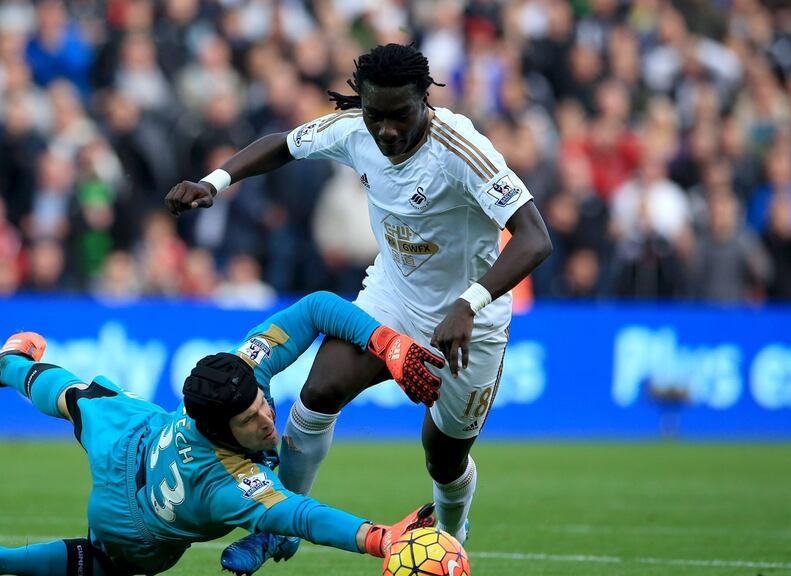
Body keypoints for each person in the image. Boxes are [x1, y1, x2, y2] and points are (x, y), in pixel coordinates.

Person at [165, 43, 552, 574]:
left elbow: (535, 238)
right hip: (390, 298)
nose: (387, 130)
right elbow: (282, 144)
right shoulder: (353, 130)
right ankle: (276, 529)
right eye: (376, 116)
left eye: (401, 116)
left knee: (443, 454)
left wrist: (469, 302)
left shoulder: (462, 149)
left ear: (425, 101)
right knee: (317, 394)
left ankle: (451, 535)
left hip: (469, 321)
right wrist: (215, 183)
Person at [0, 291, 445, 576]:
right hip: (134, 525)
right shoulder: (226, 484)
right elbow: (304, 514)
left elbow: (314, 308)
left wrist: (388, 343)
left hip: (136, 437)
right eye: (250, 420)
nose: (266, 416)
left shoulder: (233, 379)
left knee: (80, 398)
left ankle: (9, 364)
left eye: (261, 402)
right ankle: (2, 562)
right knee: (105, 560)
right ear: (217, 429)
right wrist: (381, 539)